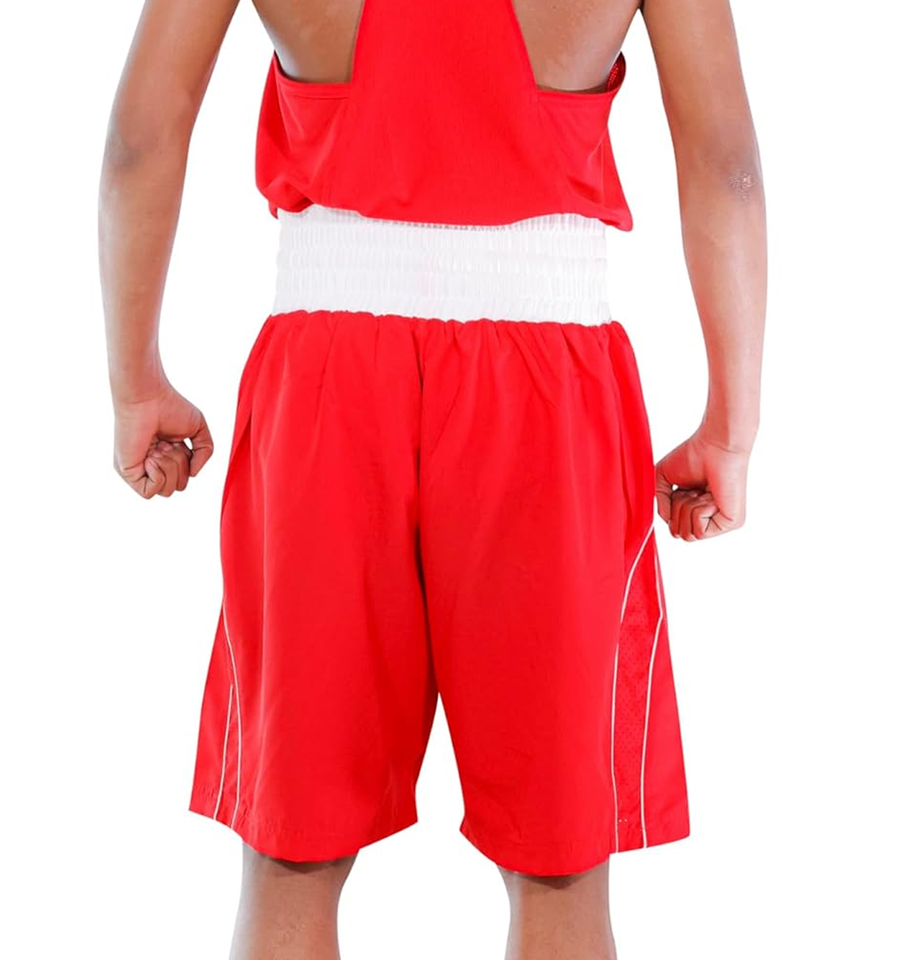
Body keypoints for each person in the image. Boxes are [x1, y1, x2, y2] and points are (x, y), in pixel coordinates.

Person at [98, 0, 765, 956]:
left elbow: (139, 141)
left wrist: (137, 384)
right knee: (561, 870)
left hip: (327, 375)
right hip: (548, 383)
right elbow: (726, 164)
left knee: (291, 860)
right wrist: (729, 431)